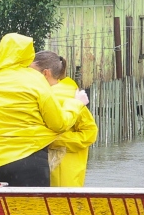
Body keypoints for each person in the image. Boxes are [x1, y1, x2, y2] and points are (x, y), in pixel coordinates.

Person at [0, 33, 88, 187]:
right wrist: (75, 104)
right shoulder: (35, 79)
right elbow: (59, 124)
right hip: (28, 164)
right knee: (31, 211)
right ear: (28, 54)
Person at [32, 51, 98, 187]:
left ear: (45, 73)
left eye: (32, 72)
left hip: (65, 173)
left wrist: (53, 141)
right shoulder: (37, 95)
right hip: (44, 170)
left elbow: (90, 133)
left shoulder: (69, 95)